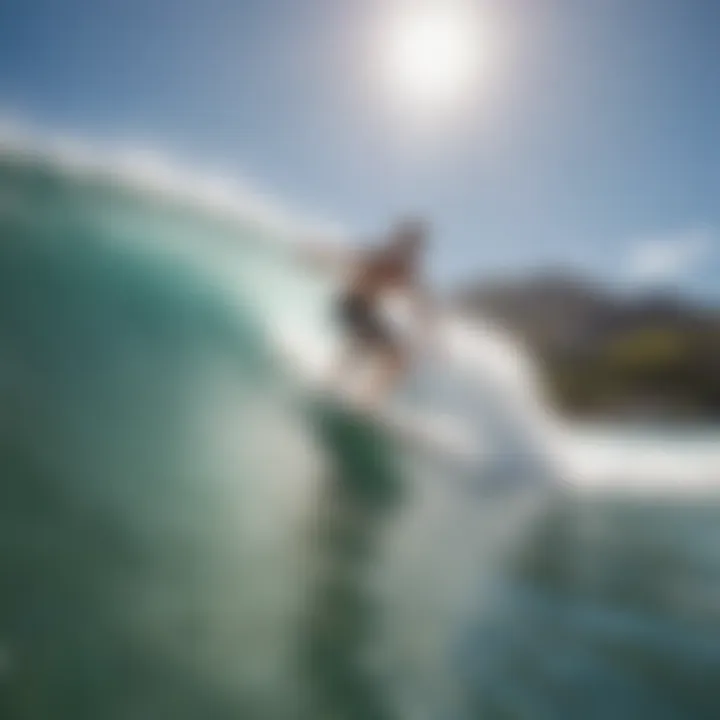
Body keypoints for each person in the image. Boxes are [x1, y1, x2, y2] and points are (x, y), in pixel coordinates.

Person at [301, 217, 436, 410]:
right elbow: (345, 257)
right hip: (350, 306)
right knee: (362, 346)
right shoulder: (380, 257)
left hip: (368, 313)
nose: (411, 250)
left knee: (398, 357)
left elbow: (419, 300)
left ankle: (366, 401)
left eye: (415, 246)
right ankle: (332, 386)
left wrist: (428, 324)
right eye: (408, 243)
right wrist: (316, 253)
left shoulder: (405, 271)